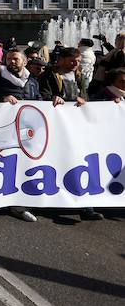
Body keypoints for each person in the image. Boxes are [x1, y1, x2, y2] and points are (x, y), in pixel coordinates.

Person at [37, 46, 102, 221]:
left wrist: (84, 100)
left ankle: (85, 207)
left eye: (78, 61)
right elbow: (41, 97)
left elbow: (85, 96)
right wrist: (52, 99)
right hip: (54, 128)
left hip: (75, 128)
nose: (76, 64)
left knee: (78, 164)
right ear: (61, 60)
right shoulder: (48, 76)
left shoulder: (79, 76)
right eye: (72, 61)